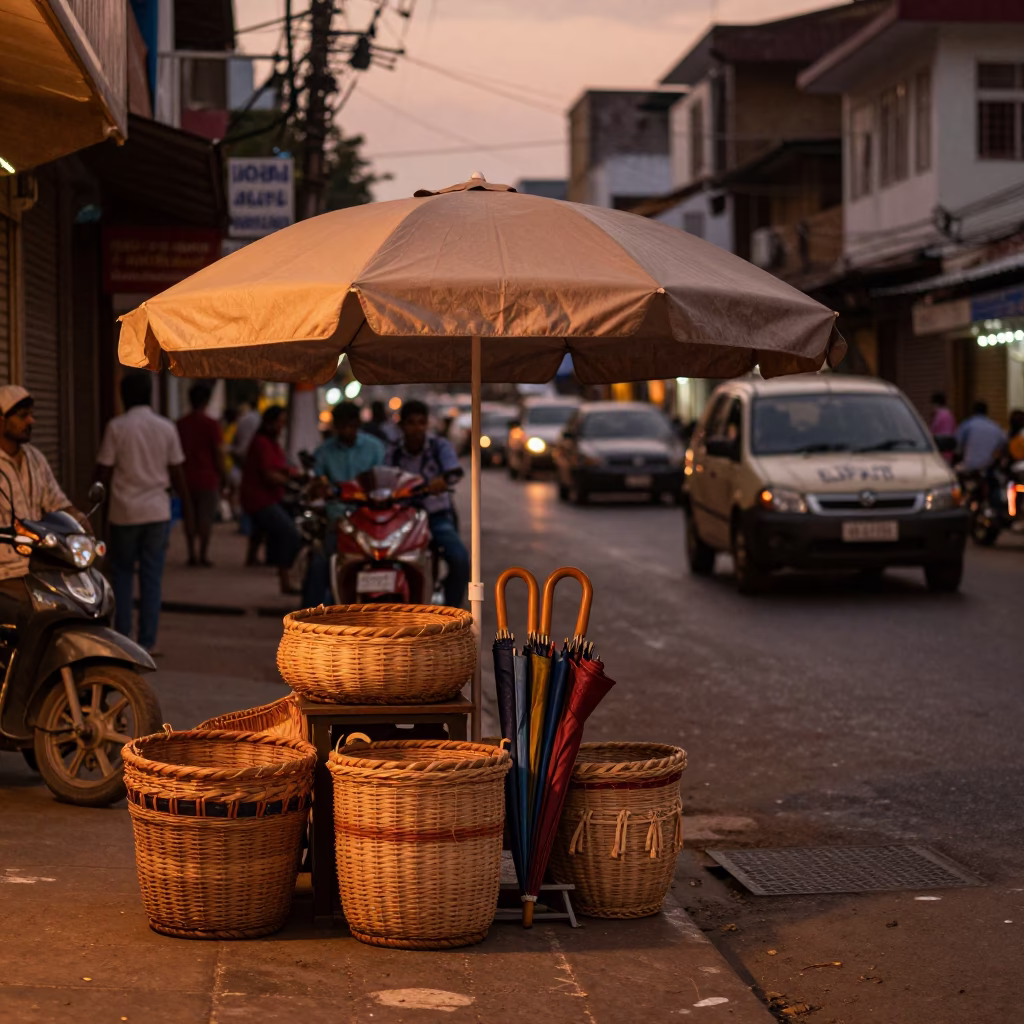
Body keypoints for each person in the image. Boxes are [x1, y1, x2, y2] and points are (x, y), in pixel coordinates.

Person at [95, 373, 194, 656]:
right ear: (150, 394)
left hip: (124, 513)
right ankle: (148, 641)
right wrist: (188, 510)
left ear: (123, 396)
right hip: (156, 512)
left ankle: (123, 638)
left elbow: (103, 470)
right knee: (152, 578)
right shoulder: (165, 428)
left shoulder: (116, 427)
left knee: (123, 575)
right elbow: (178, 473)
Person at [0, 386, 91, 620]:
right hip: (5, 573)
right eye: (22, 416)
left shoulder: (35, 458)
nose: (32, 420)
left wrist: (79, 520)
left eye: (31, 414)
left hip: (38, 565)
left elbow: (56, 502)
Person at [301, 402, 386, 607]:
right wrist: (318, 487)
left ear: (358, 424)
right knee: (320, 566)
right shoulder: (324, 451)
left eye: (351, 426)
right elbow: (316, 484)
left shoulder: (375, 447)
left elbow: (383, 481)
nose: (347, 431)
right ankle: (308, 620)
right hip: (338, 523)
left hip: (370, 522)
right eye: (342, 427)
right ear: (335, 427)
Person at [387, 399, 469, 608]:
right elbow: (383, 479)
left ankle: (452, 611)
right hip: (402, 521)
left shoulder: (438, 446)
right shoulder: (393, 453)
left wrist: (443, 480)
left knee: (459, 559)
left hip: (436, 517)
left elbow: (454, 470)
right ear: (402, 425)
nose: (417, 428)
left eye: (421, 423)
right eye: (411, 423)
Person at [240, 405, 302, 595]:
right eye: (280, 422)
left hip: (263, 497)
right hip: (260, 499)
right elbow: (269, 474)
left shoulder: (269, 442)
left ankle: (255, 558)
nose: (282, 426)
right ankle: (285, 578)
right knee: (289, 532)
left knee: (268, 528)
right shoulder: (262, 443)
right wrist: (290, 480)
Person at [176, 383, 224, 567]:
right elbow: (218, 452)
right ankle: (203, 554)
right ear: (206, 401)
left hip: (185, 477)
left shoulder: (181, 424)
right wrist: (223, 475)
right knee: (205, 517)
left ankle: (191, 553)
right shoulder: (211, 424)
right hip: (207, 477)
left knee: (189, 515)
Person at [955, 399, 1006, 472]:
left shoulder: (967, 425)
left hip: (969, 465)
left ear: (973, 411)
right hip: (989, 466)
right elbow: (1003, 444)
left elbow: (958, 444)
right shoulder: (995, 427)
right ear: (986, 412)